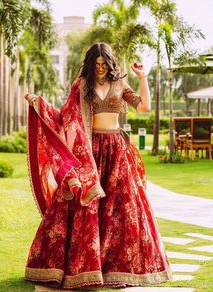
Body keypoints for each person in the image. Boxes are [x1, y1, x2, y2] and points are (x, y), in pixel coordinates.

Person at [24, 42, 172, 289]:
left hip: (116, 151)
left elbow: (144, 107)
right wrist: (38, 103)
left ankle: (118, 269)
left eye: (105, 64)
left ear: (111, 64)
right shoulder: (81, 86)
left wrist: (142, 77)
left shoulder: (120, 85)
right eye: (97, 64)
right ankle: (79, 268)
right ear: (91, 64)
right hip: (88, 154)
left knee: (122, 209)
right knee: (84, 208)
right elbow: (65, 118)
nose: (101, 68)